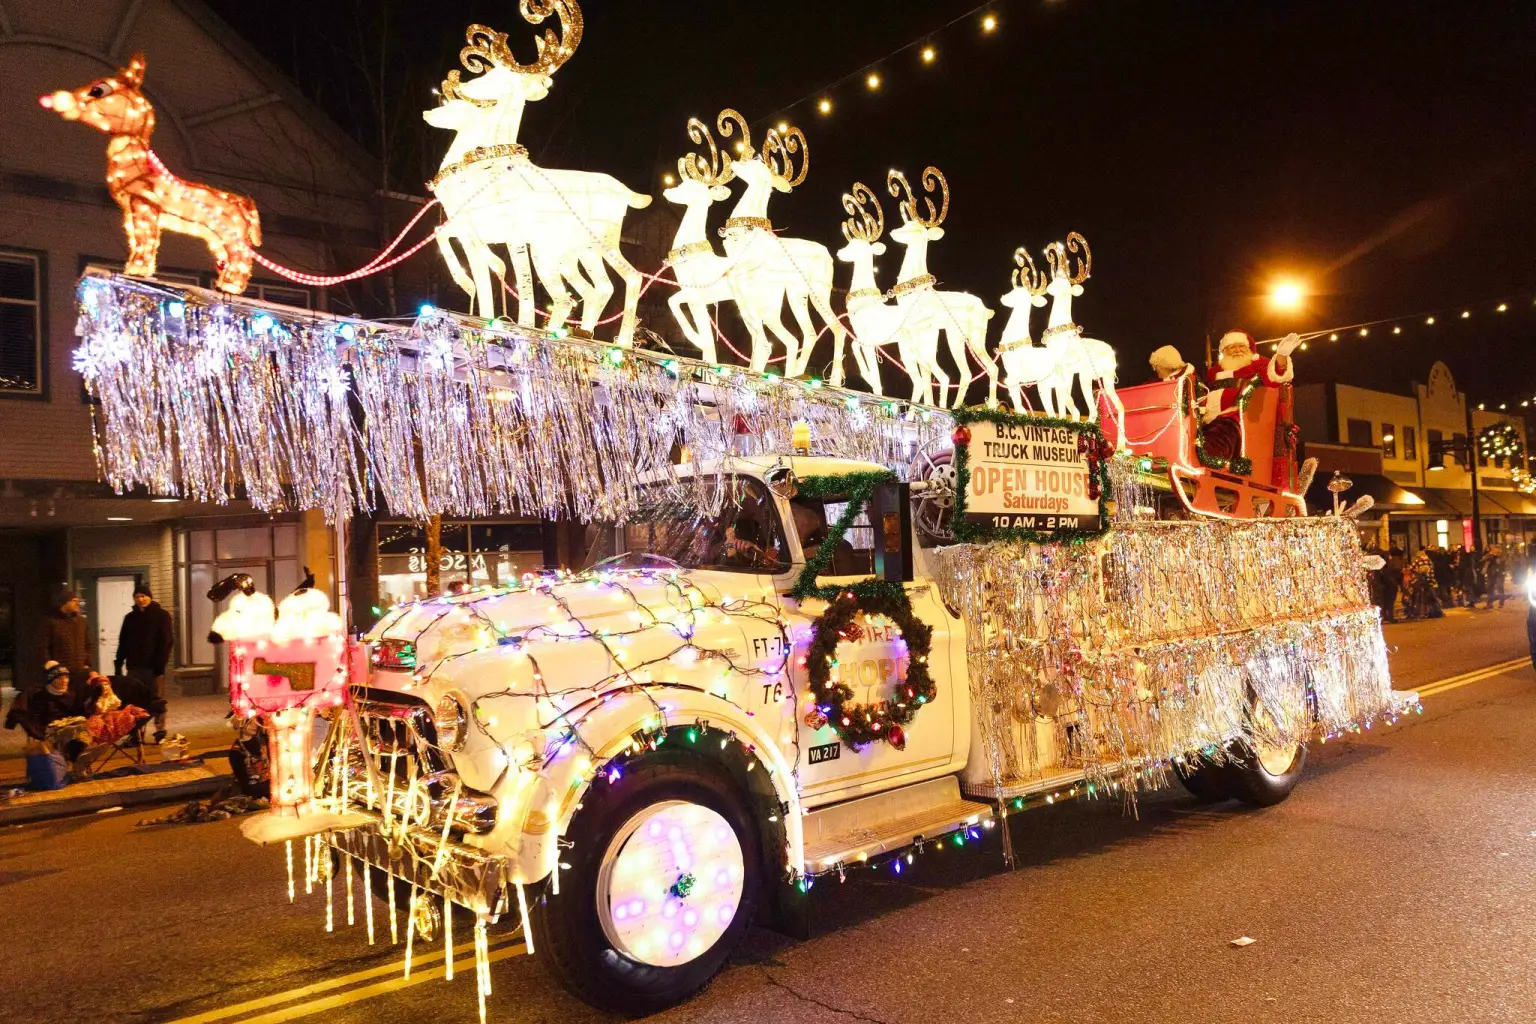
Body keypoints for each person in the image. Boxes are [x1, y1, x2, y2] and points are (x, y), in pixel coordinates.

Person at [1200, 330, 1300, 462]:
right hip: (1208, 420)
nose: (1237, 350)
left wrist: (1281, 356)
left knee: (1221, 435)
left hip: (1239, 418)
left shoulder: (1257, 365)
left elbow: (1274, 376)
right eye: (1232, 347)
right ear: (1224, 351)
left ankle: (1208, 458)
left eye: (1241, 346)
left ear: (1249, 349)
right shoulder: (1214, 372)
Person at [115, 583, 174, 742]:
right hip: (134, 666)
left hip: (154, 668)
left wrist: (160, 665)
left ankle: (160, 731)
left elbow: (166, 641)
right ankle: (135, 732)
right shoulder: (130, 618)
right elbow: (123, 642)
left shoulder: (161, 616)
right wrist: (119, 662)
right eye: (137, 597)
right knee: (133, 700)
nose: (140, 599)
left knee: (157, 699)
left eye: (143, 596)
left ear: (150, 597)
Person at [39, 589, 89, 684]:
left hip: (80, 670)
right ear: (64, 602)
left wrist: (87, 663)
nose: (77, 604)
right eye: (74, 601)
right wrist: (49, 664)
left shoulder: (81, 621)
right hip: (60, 672)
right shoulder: (51, 622)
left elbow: (88, 643)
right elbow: (43, 646)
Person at [1482, 545, 1507, 609]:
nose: (1496, 550)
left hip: (1500, 574)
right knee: (1489, 588)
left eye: (1497, 549)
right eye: (1494, 549)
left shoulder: (1502, 555)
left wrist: (1496, 556)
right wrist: (1490, 554)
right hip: (1491, 574)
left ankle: (1501, 602)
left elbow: (1502, 561)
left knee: (1499, 587)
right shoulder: (1490, 555)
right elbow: (1483, 559)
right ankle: (1490, 603)